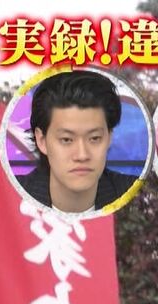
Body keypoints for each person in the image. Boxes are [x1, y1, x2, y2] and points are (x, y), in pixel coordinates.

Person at [19, 70, 136, 214]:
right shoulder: (11, 194)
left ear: (109, 137)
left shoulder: (134, 193)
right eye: (66, 140)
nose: (82, 155)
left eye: (94, 138)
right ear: (42, 140)